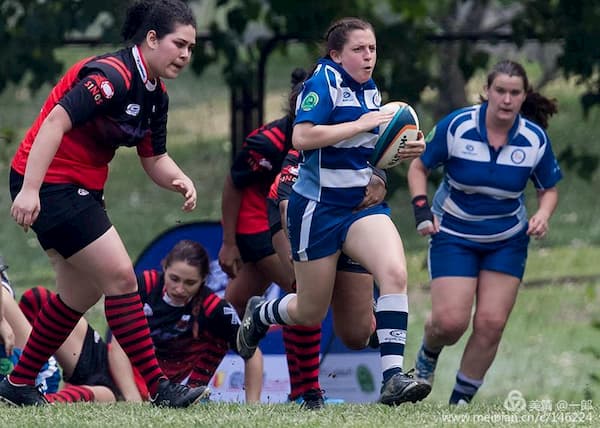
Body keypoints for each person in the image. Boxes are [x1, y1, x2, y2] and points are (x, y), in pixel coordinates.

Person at [1, 0, 208, 407]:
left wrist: (179, 178)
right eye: (178, 44)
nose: (185, 54)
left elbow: (154, 159)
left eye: (191, 48)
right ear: (151, 39)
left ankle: (19, 383)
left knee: (80, 294)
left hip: (79, 187)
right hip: (49, 181)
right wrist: (29, 190)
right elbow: (55, 121)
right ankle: (160, 388)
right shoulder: (112, 75)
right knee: (120, 277)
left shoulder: (155, 96)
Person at [236, 17, 431, 406]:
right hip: (317, 210)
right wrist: (358, 124)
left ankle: (393, 379)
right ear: (336, 55)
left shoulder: (371, 91)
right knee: (310, 310)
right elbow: (302, 136)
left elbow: (372, 148)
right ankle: (262, 313)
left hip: (359, 208)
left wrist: (406, 147)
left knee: (393, 272)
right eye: (359, 50)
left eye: (372, 49)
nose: (368, 56)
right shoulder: (323, 83)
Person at [407, 59, 562, 405]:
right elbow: (419, 165)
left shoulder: (534, 139)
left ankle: (458, 406)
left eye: (515, 93)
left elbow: (548, 187)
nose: (507, 100)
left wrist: (543, 214)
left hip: (506, 240)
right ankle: (427, 356)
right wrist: (421, 208)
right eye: (501, 91)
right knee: (450, 323)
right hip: (453, 233)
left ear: (524, 97)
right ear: (488, 92)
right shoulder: (458, 125)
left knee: (491, 323)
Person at [123, 239, 263, 403]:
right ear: (164, 267)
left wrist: (253, 406)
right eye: (174, 279)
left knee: (221, 337)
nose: (180, 289)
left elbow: (252, 352)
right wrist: (131, 397)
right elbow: (118, 344)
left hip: (171, 384)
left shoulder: (214, 307)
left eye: (190, 283)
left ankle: (190, 393)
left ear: (203, 279)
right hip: (126, 377)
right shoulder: (144, 285)